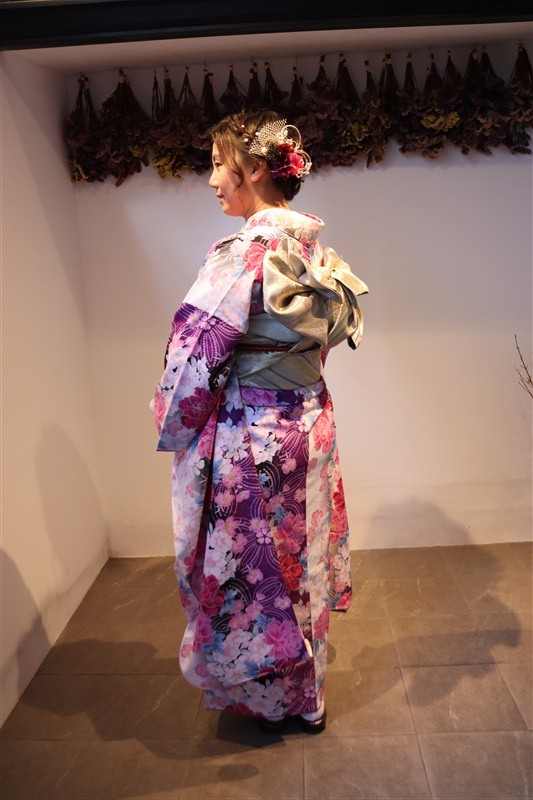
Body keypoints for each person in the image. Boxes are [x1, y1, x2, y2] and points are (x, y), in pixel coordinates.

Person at [151, 109, 368, 733]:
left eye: (219, 164)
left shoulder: (244, 251)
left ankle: (275, 702)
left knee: (260, 569)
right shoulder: (308, 246)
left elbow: (194, 356)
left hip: (256, 437)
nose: (212, 179)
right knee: (302, 560)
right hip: (309, 423)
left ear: (252, 170)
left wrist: (170, 415)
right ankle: (310, 697)